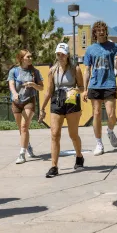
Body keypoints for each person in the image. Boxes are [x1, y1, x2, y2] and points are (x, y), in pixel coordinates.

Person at [39, 43, 85, 178]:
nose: (60, 57)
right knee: (55, 134)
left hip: (71, 102)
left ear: (67, 55)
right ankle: (54, 166)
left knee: (73, 134)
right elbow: (48, 91)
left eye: (63, 54)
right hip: (57, 101)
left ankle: (79, 156)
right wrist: (42, 108)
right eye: (58, 54)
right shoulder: (52, 70)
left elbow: (82, 88)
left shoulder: (75, 69)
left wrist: (75, 90)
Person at [83, 21, 117, 156]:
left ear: (106, 31)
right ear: (94, 33)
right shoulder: (90, 49)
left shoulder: (114, 47)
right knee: (96, 114)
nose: (101, 32)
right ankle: (99, 143)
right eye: (98, 30)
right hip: (95, 85)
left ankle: (110, 131)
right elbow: (87, 70)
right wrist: (85, 89)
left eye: (103, 30)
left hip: (109, 83)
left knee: (111, 115)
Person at [7, 49, 44, 164]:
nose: (30, 58)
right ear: (21, 58)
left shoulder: (35, 72)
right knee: (21, 129)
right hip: (17, 101)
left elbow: (41, 88)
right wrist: (14, 93)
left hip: (29, 100)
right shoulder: (14, 71)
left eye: (31, 56)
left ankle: (22, 154)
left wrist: (33, 84)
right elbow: (11, 84)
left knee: (24, 127)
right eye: (28, 57)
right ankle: (27, 144)